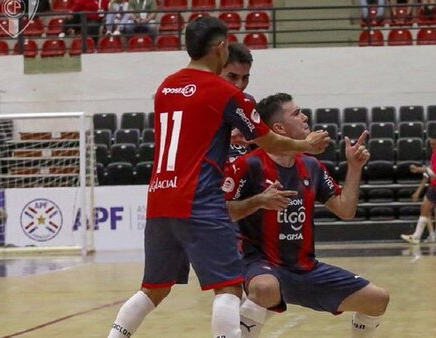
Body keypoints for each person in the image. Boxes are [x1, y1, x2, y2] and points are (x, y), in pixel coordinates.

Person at [107, 17, 330, 338]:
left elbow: (194, 134)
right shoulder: (223, 92)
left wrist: (229, 135)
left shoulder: (166, 86)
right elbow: (271, 141)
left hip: (159, 198)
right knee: (228, 288)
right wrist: (305, 145)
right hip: (199, 199)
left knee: (153, 289)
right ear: (220, 48)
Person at [224, 93, 389, 338]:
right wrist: (259, 201)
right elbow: (222, 214)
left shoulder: (311, 166)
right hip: (261, 265)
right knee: (264, 287)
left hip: (305, 268)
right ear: (279, 127)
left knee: (378, 299)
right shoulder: (249, 165)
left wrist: (354, 168)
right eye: (296, 113)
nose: (305, 117)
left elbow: (345, 210)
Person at [220, 42, 255, 163]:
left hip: (243, 176)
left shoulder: (249, 102)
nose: (240, 84)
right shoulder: (199, 103)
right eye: (232, 77)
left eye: (245, 78)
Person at [411, 175, 436, 243]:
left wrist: (417, 192)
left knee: (426, 208)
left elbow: (426, 177)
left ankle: (432, 235)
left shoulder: (432, 165)